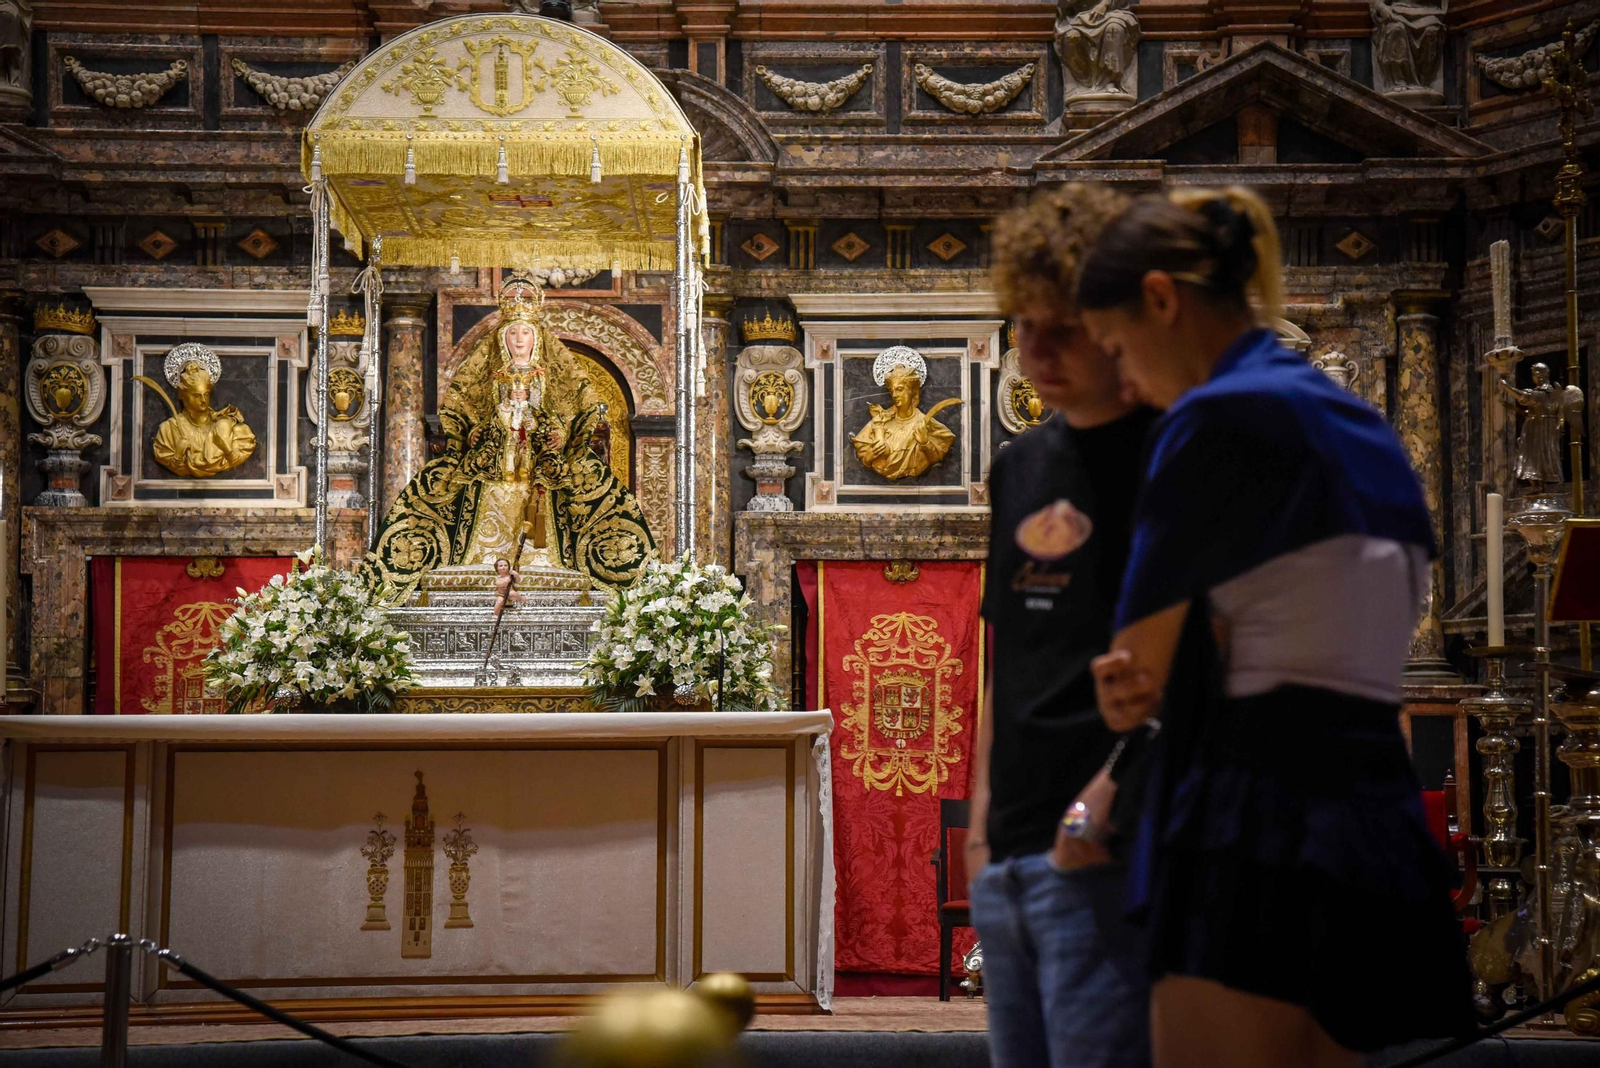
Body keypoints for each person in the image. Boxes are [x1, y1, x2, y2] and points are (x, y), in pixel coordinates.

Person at [1075, 185, 1473, 1067]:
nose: (1128, 381)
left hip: (1250, 821)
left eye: (1118, 349)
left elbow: (1134, 674)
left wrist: (1134, 685)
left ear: (1162, 299)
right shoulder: (1366, 429)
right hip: (1372, 812)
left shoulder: (1215, 420)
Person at [966, 181, 1157, 1068]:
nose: (1034, 349)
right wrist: (980, 823)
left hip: (1107, 844)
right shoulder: (1021, 465)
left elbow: (1207, 653)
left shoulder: (1174, 455)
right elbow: (1008, 650)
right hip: (1010, 846)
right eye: (1021, 323)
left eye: (1062, 325)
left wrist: (1102, 807)